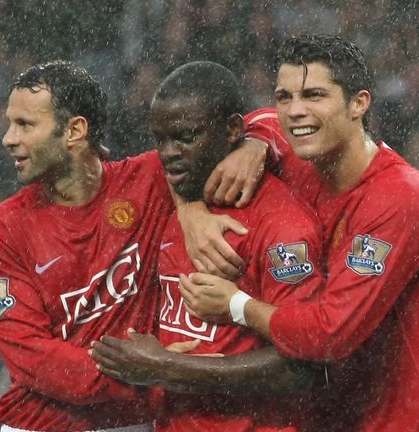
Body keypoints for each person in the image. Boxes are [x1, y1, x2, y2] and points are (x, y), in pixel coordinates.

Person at [179, 35, 419, 431]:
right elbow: (196, 147)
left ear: (359, 103)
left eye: (314, 95)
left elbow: (331, 336)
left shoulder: (399, 196)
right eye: (285, 96)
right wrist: (191, 209)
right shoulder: (297, 166)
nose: (295, 111)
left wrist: (236, 305)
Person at [0, 60, 275, 432]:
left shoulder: (149, 181)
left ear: (75, 131)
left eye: (25, 125)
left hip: (136, 421)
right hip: (44, 424)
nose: (8, 138)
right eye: (10, 123)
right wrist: (148, 373)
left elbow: (257, 122)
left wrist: (256, 145)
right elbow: (32, 358)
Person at [89, 61, 324, 431]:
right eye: (160, 139)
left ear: (233, 129)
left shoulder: (283, 225)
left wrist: (165, 368)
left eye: (185, 136)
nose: (168, 152)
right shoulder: (169, 202)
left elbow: (299, 368)